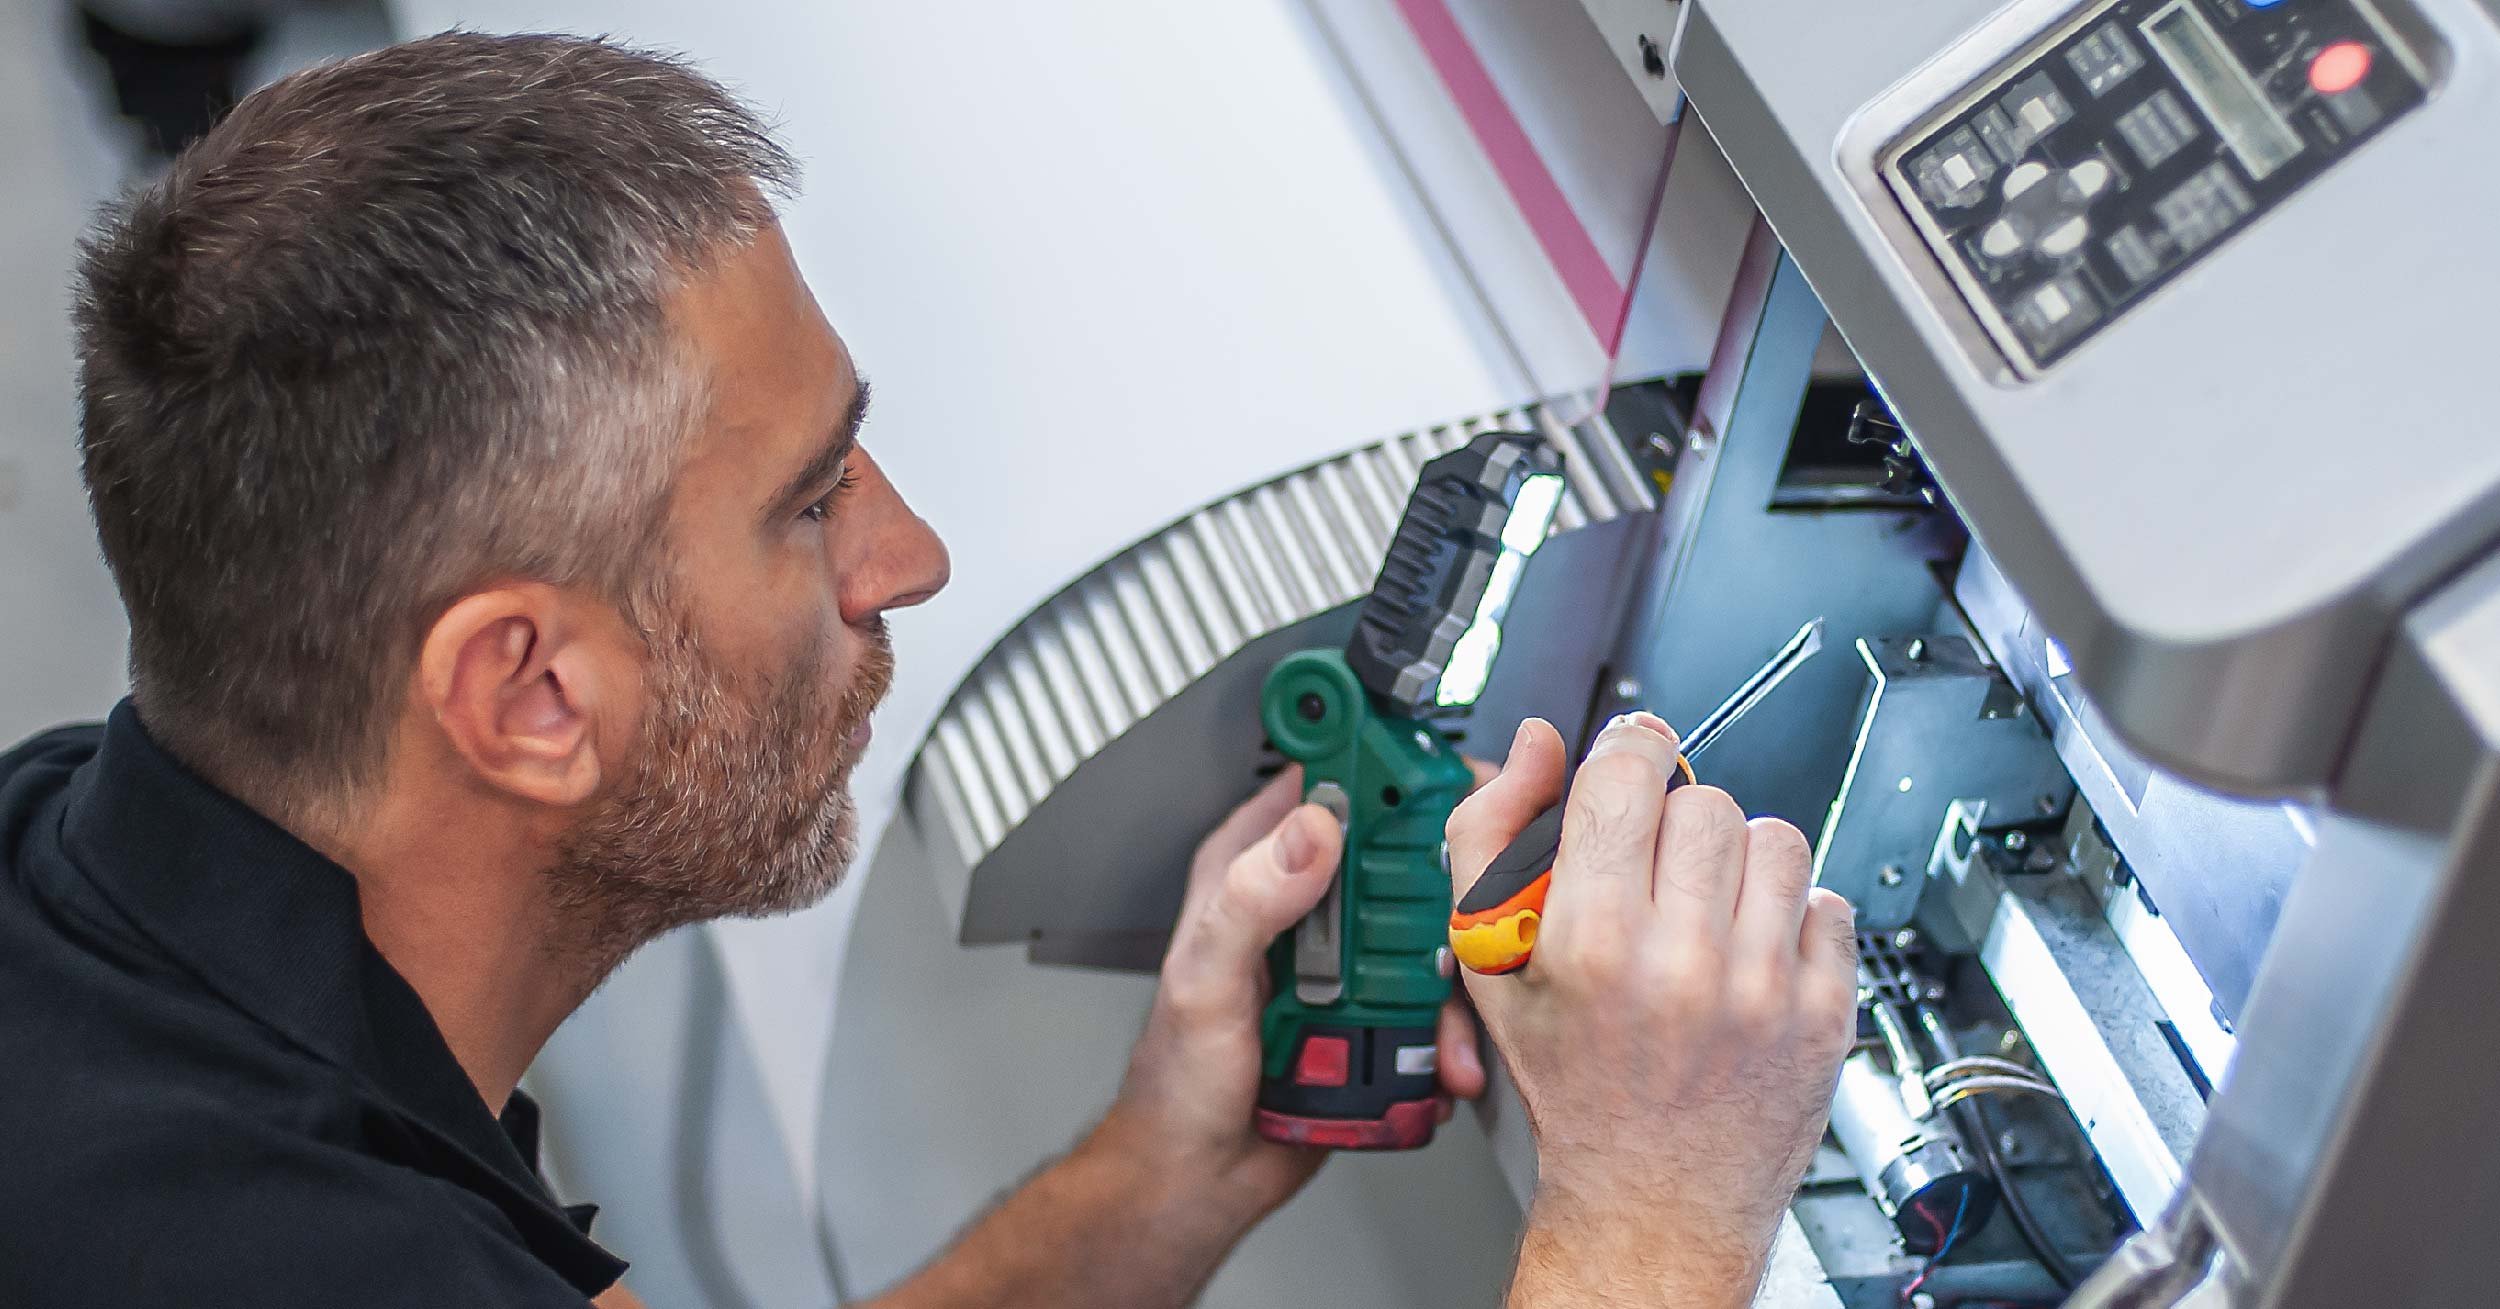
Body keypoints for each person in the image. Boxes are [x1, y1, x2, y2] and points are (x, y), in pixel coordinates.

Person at [0, 32, 1859, 1309]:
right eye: (810, 504)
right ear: (529, 696)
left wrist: (1165, 1168)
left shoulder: (101, 884)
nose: (912, 559)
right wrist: (1651, 1207)